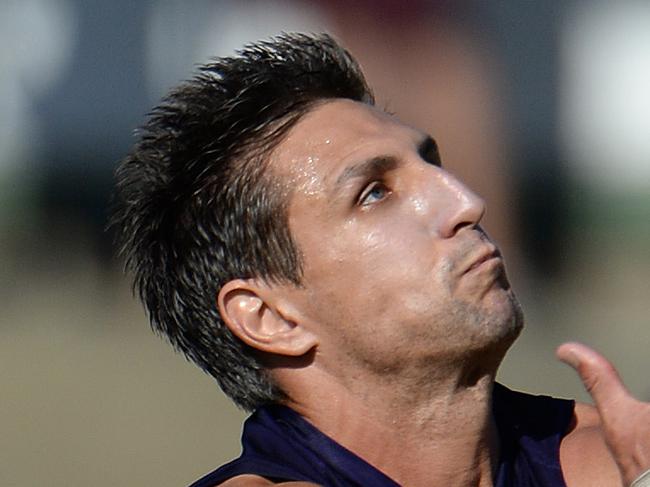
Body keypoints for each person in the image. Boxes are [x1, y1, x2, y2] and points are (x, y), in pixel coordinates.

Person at [111, 33, 650, 487]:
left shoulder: (615, 455)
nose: (466, 202)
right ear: (270, 317)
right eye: (374, 193)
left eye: (432, 164)